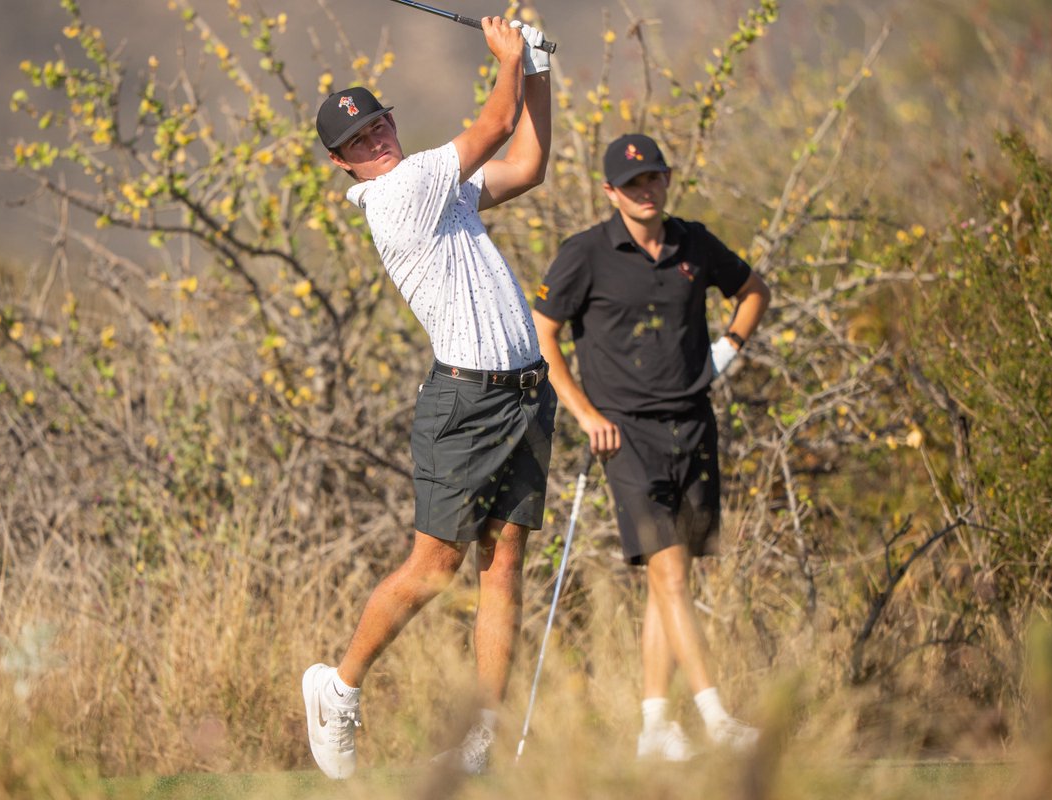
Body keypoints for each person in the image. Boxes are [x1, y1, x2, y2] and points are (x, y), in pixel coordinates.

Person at [302, 17, 555, 780]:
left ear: (390, 123)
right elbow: (494, 122)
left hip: (523, 396)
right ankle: (339, 689)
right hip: (464, 403)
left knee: (503, 562)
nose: (374, 141)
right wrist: (510, 61)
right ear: (345, 165)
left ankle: (480, 739)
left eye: (378, 125)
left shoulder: (442, 190)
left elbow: (531, 162)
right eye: (357, 142)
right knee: (435, 566)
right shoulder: (399, 194)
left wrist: (538, 71)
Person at [532, 133, 771, 761]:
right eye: (633, 183)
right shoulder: (585, 253)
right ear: (610, 192)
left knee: (671, 577)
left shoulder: (693, 243)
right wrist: (586, 414)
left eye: (655, 178)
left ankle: (654, 727)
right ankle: (715, 717)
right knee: (668, 571)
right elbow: (543, 335)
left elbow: (754, 291)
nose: (646, 190)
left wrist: (726, 352)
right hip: (626, 434)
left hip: (692, 423)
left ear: (666, 181)